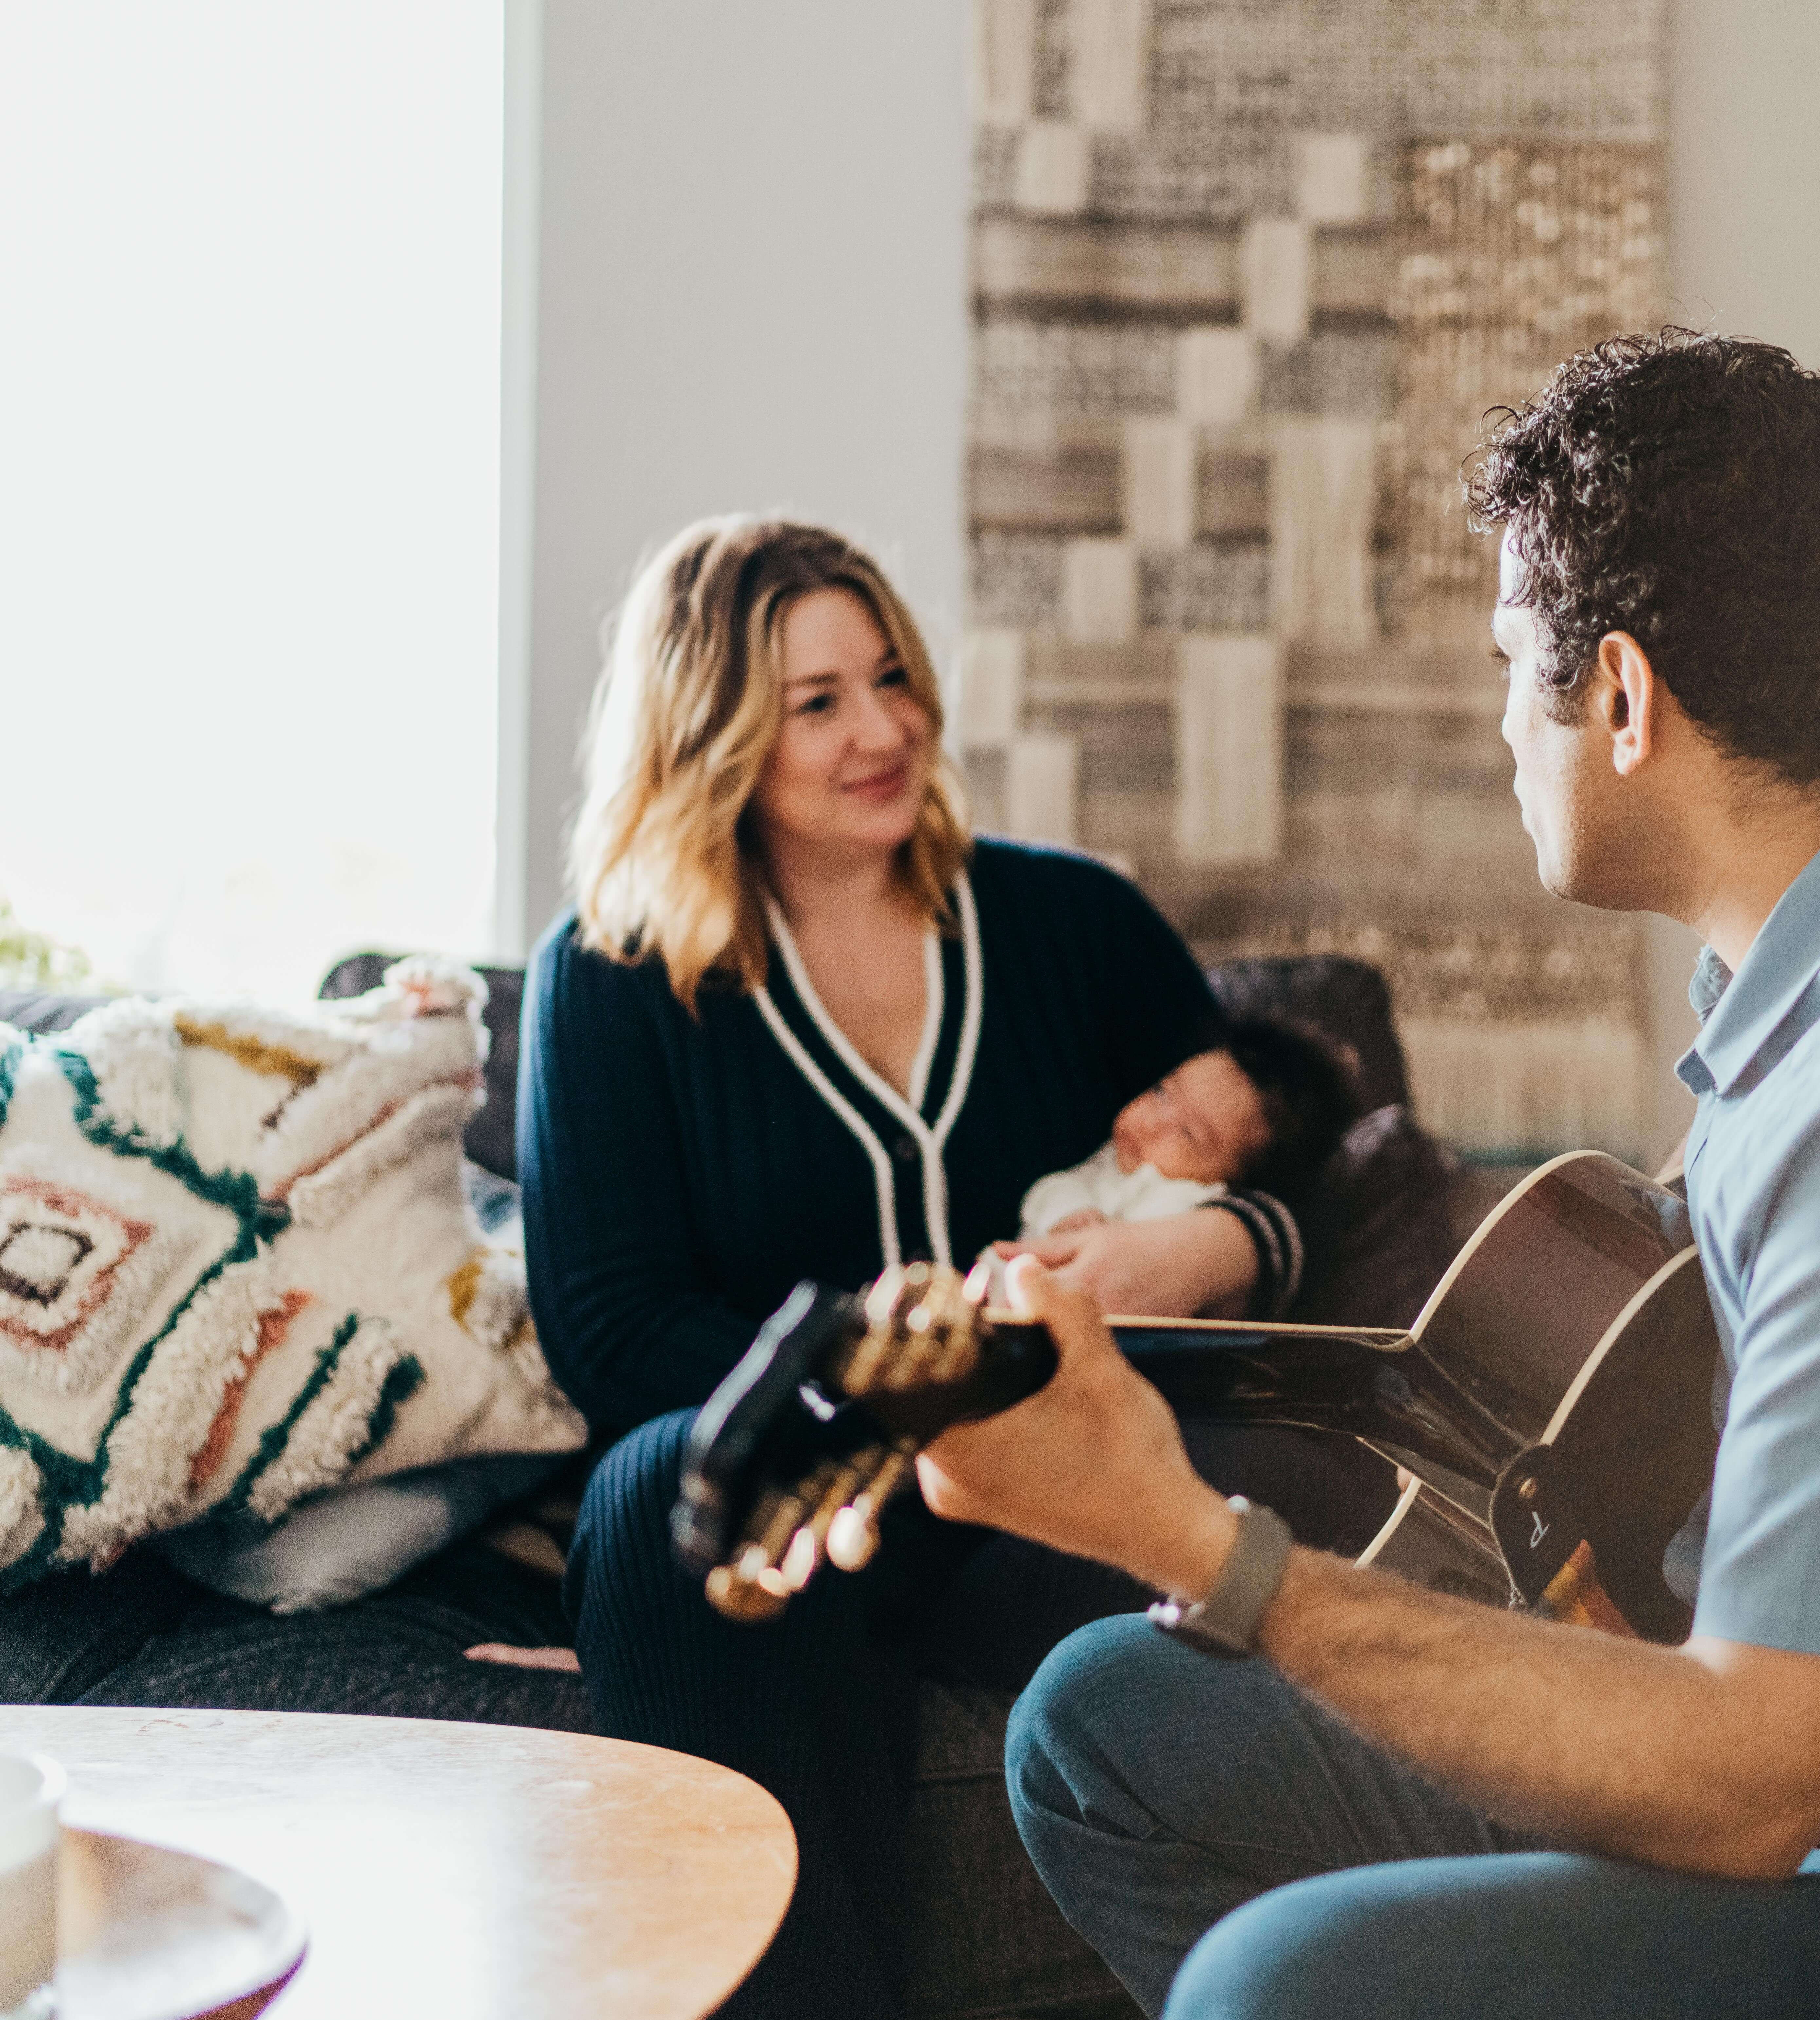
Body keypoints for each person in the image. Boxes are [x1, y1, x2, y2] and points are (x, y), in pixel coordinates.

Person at [910, 332, 1820, 2020]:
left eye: (1506, 664)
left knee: (1281, 1983)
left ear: (1621, 697)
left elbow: (1752, 1779)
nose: (1499, 723)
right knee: (1115, 1725)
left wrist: (1189, 1533)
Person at [517, 516, 1381, 2019]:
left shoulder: (1071, 923)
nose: (888, 727)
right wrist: (882, 1405)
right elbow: (611, 1322)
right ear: (711, 736)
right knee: (660, 1497)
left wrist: (1212, 1238)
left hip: (1069, 1470)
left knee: (1326, 1502)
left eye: (894, 676)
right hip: (809, 1484)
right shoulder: (607, 979)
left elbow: (1301, 1157)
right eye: (820, 700)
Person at [1019, 1017, 1353, 1241]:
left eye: (1188, 1133)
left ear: (1232, 1184)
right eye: (1162, 1092)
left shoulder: (1188, 1208)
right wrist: (1072, 1212)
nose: (1151, 1122)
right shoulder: (1114, 1159)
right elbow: (1047, 1190)